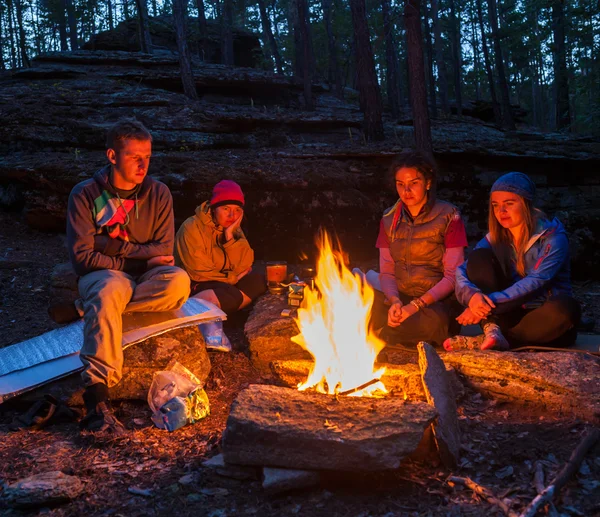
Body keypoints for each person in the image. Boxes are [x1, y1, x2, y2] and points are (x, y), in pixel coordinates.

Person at [65, 119, 190, 434]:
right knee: (108, 289)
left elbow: (163, 249)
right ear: (112, 156)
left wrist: (105, 244)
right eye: (135, 156)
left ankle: (94, 309)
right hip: (105, 275)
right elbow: (83, 258)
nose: (143, 164)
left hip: (145, 278)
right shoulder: (85, 194)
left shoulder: (158, 193)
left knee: (178, 282)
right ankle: (98, 396)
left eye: (147, 156)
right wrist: (138, 256)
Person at [445, 172, 581, 351]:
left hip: (543, 317)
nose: (501, 212)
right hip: (506, 314)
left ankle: (494, 339)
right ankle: (493, 331)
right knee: (479, 259)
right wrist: (473, 297)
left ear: (526, 204)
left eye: (509, 204)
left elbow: (536, 281)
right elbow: (463, 269)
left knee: (566, 308)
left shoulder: (553, 238)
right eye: (495, 205)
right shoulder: (495, 238)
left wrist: (487, 305)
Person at [372, 151, 468, 347]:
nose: (406, 190)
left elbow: (452, 276)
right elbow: (387, 270)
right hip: (401, 297)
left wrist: (415, 306)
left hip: (436, 303)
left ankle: (385, 333)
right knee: (354, 301)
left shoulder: (449, 216)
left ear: (428, 182)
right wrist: (395, 301)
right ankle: (389, 330)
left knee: (435, 323)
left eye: (414, 183)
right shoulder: (389, 219)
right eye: (400, 184)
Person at [174, 180, 266, 319]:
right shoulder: (192, 227)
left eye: (237, 210)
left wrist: (230, 237)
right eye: (226, 209)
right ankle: (192, 312)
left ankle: (220, 310)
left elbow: (245, 265)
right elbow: (199, 273)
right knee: (228, 293)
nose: (232, 215)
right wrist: (232, 278)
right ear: (214, 207)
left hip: (223, 282)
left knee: (258, 281)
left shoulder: (233, 228)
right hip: (195, 284)